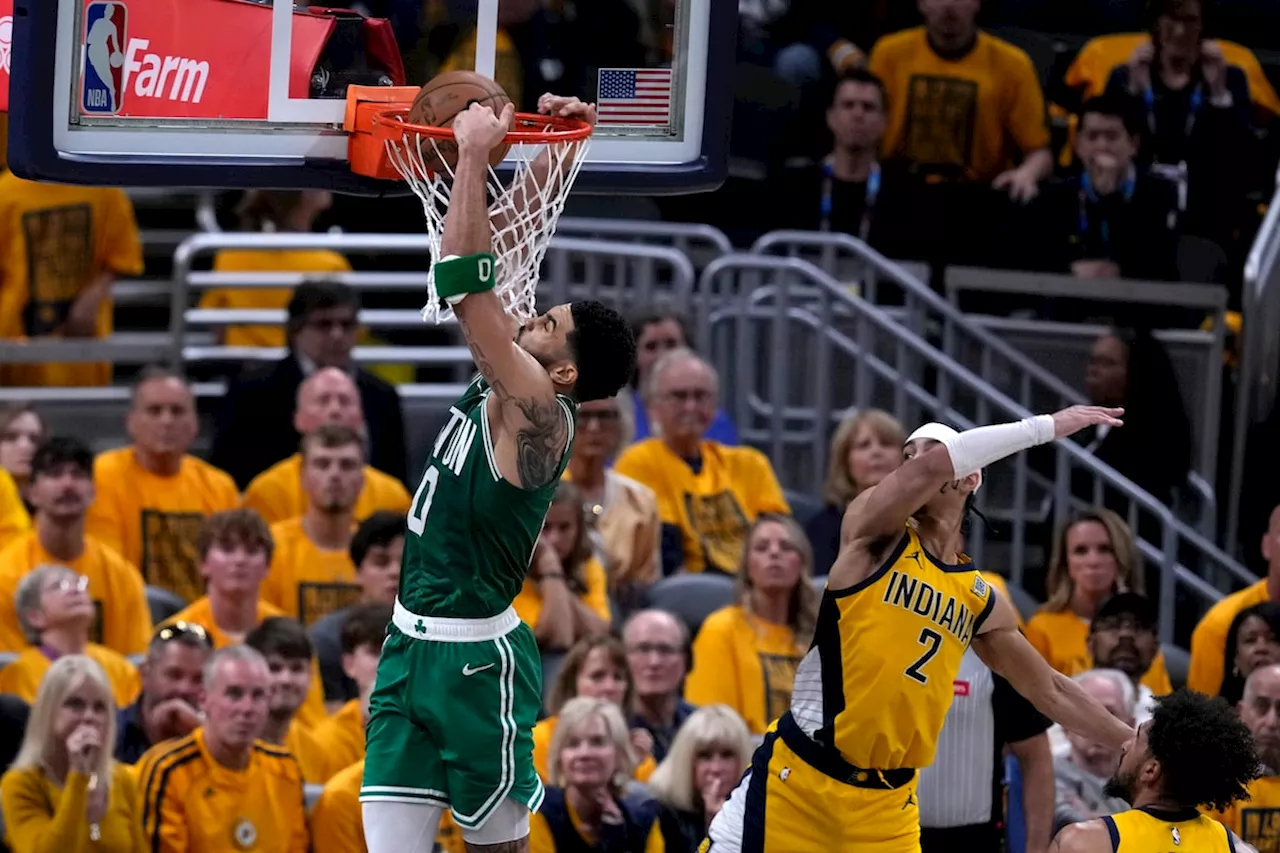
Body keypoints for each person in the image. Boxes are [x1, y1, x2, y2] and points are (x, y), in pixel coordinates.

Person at [360, 94, 637, 853]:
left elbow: (465, 278)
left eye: (547, 322)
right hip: (407, 642)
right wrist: (549, 144)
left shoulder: (538, 410)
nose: (534, 312)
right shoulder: (520, 367)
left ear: (566, 367)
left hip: (477, 659)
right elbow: (509, 245)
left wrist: (477, 152)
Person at [705, 410, 1135, 852]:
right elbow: (930, 471)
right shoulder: (871, 536)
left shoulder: (979, 598)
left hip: (887, 808)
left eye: (932, 451)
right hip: (804, 780)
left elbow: (1051, 689)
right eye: (906, 455)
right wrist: (1045, 427)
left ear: (970, 480)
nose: (917, 462)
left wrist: (1134, 742)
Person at [1048, 690, 1259, 852]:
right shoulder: (1235, 847)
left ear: (1151, 770)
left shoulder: (1083, 842)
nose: (1123, 745)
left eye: (1136, 738)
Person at [0, 655, 145, 853]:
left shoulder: (122, 780)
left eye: (99, 707)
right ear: (48, 712)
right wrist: (78, 776)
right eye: (75, 704)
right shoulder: (21, 784)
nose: (89, 716)